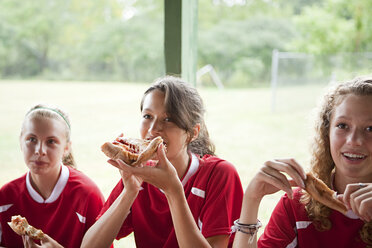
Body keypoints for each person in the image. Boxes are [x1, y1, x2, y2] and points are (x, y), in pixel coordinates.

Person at [82, 76, 244, 248]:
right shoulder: (139, 174)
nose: (153, 130)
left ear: (193, 132)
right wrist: (130, 191)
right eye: (147, 116)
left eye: (168, 119)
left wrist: (173, 191)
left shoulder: (218, 174)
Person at [232, 76, 372, 248]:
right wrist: (251, 199)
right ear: (326, 133)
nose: (353, 141)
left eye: (370, 128)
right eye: (343, 126)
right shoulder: (298, 203)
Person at [0, 104, 106, 248]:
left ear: (66, 148)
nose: (40, 150)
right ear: (20, 142)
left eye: (51, 141)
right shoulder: (5, 197)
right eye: (32, 139)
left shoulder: (88, 195)